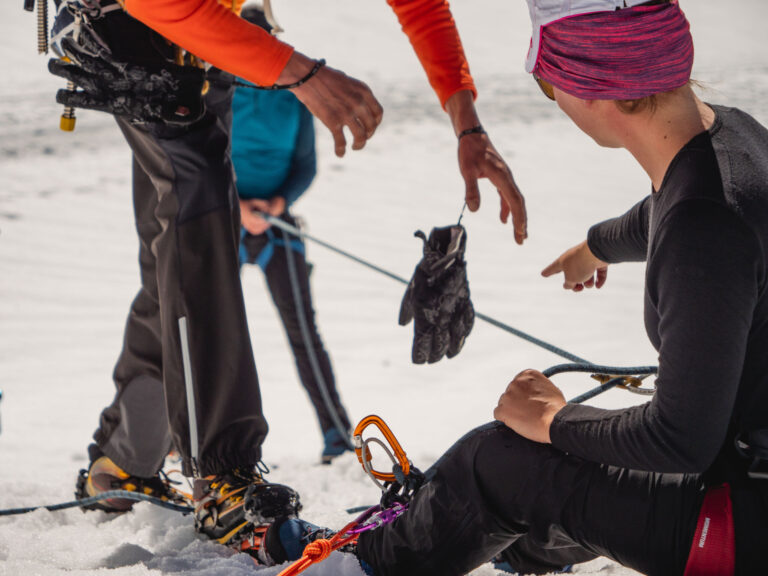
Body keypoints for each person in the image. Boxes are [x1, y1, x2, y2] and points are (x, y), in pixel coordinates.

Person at [238, 0, 768, 573]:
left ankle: (360, 564)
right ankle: (487, 537)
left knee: (495, 456)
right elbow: (664, 211)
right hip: (739, 477)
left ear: (593, 89)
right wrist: (595, 246)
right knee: (542, 463)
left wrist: (552, 421)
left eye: (547, 84)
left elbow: (678, 439)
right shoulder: (733, 139)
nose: (555, 99)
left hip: (738, 522)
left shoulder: (703, 230)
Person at [49, 0, 527, 556]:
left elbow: (422, 7)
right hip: (133, 18)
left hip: (211, 29)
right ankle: (222, 479)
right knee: (197, 194)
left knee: (185, 237)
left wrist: (468, 126)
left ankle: (121, 459)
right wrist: (302, 72)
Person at [232, 5, 353, 465]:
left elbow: (306, 166)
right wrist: (238, 208)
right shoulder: (216, 89)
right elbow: (202, 157)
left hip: (277, 222)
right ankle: (174, 440)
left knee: (304, 332)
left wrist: (277, 205)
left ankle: (338, 437)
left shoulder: (294, 95)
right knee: (205, 330)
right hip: (224, 217)